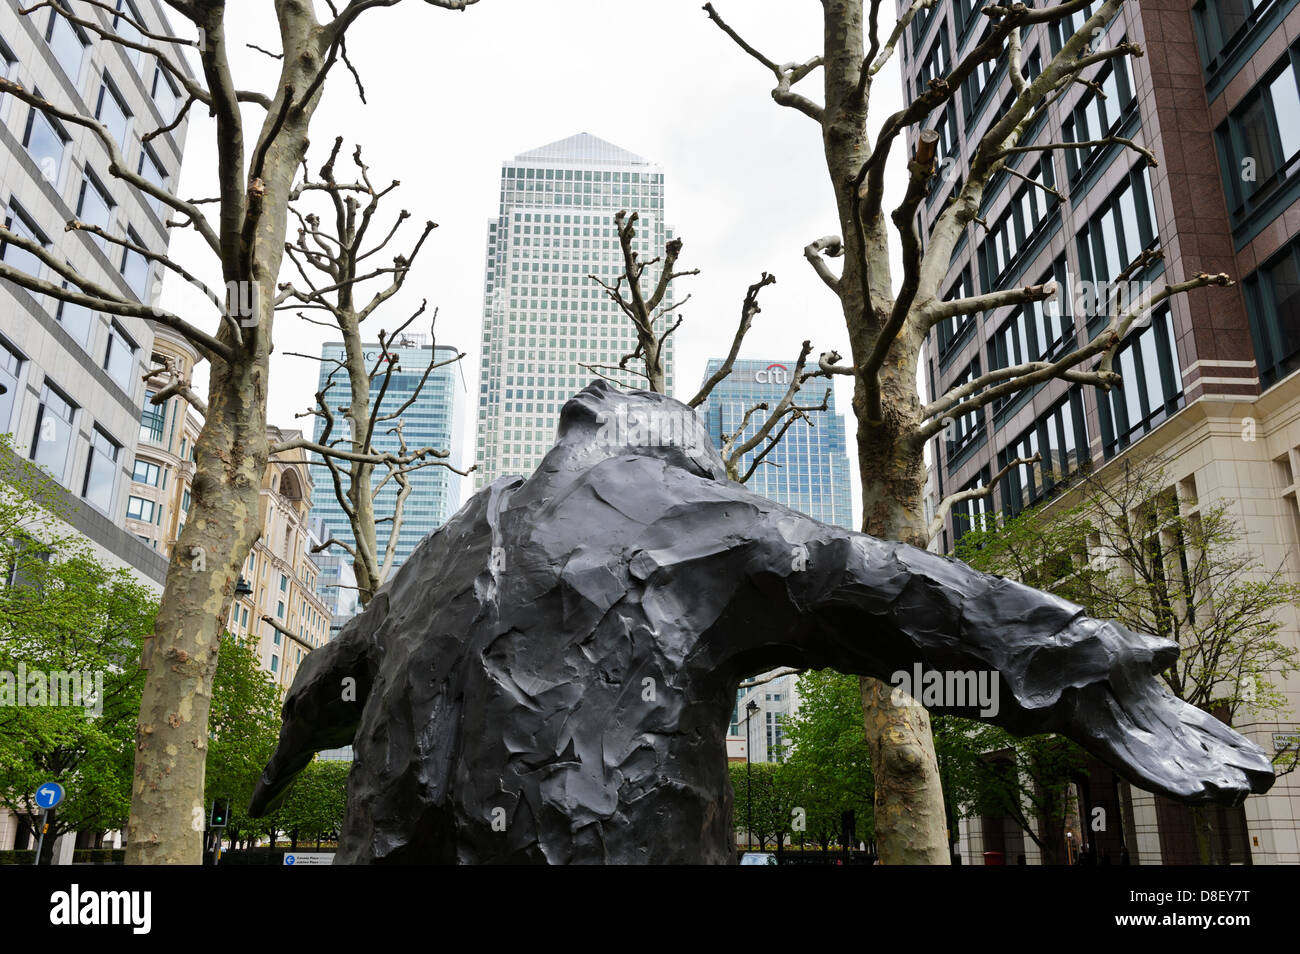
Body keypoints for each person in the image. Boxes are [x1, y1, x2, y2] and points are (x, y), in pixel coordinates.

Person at [249, 383, 1276, 864]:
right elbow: (902, 592)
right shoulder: (696, 521)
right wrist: (1099, 672)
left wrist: (279, 770)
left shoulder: (449, 541)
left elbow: (328, 679)